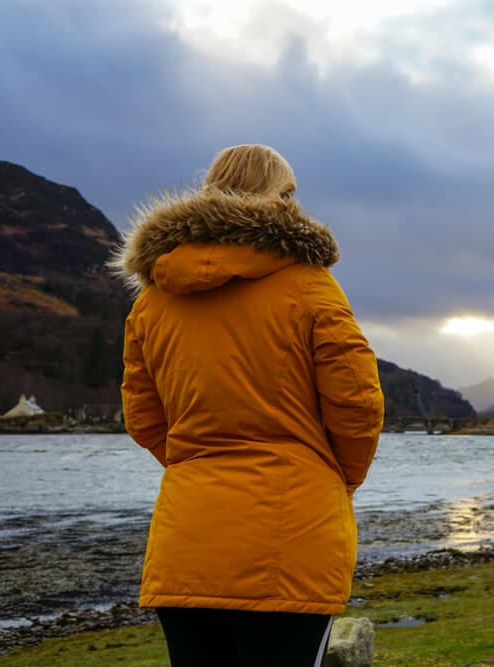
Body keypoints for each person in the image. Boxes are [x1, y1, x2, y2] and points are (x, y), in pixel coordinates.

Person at [112, 144, 385, 666]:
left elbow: (143, 417)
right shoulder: (310, 285)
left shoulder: (152, 301)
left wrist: (197, 464)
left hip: (186, 538)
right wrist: (335, 478)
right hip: (294, 534)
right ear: (282, 199)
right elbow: (358, 402)